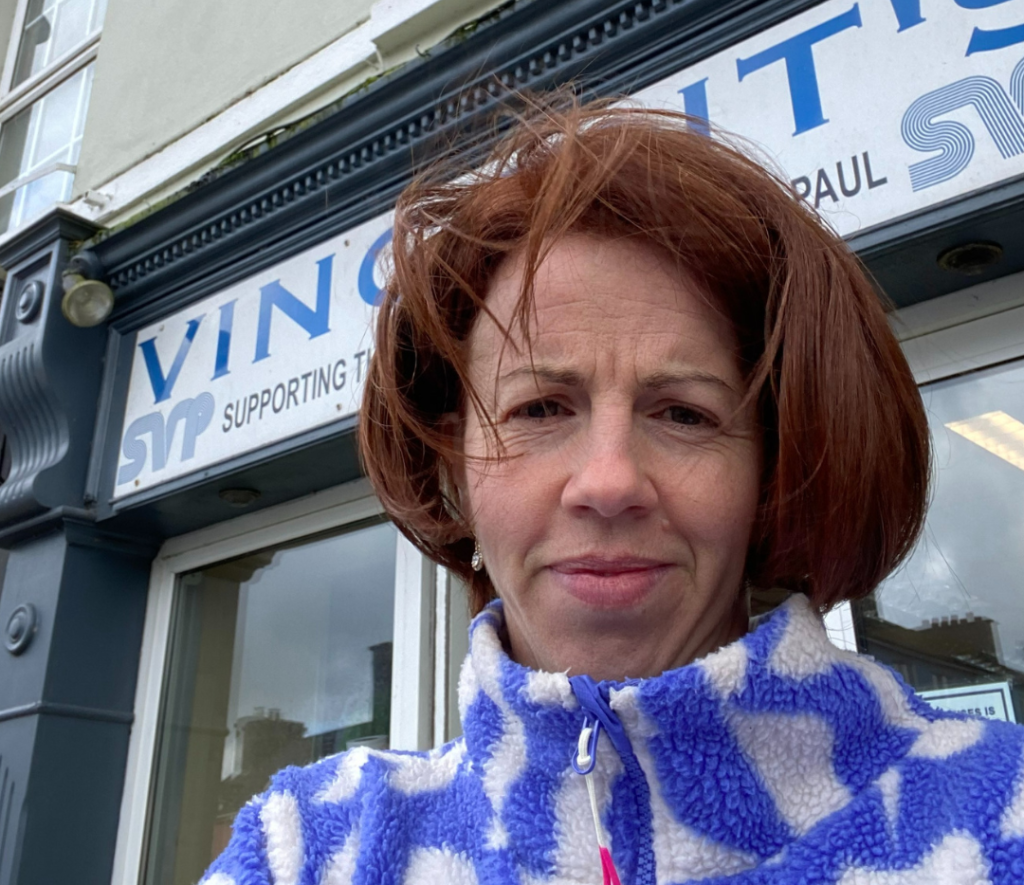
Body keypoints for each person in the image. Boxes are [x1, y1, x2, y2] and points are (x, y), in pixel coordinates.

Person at [201, 102, 1024, 885]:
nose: (608, 483)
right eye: (539, 408)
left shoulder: (998, 815)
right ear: (453, 471)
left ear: (771, 472)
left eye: (684, 413)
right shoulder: (317, 848)